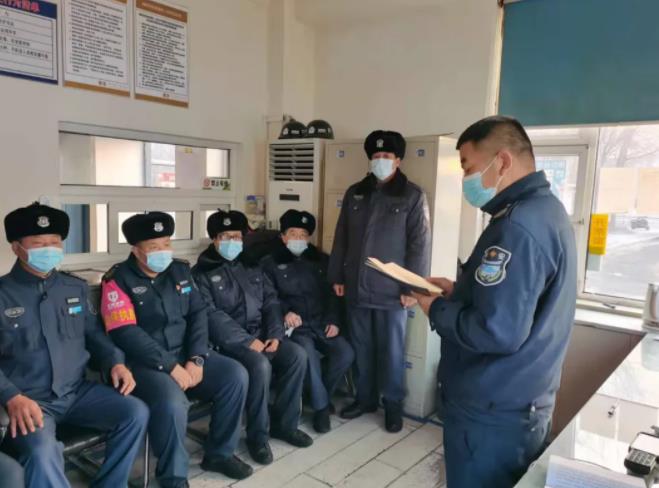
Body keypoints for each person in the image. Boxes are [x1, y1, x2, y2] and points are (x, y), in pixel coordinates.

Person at [412, 116, 577, 488]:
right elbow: (516, 300)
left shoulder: (517, 228)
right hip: (520, 399)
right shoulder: (545, 211)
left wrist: (435, 308)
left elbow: (496, 331)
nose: (466, 179)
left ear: (501, 161)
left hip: (493, 408)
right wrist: (459, 291)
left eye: (468, 167)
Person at [0, 203, 149, 488]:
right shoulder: (3, 294)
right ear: (17, 248)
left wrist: (115, 362)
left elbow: (94, 334)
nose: (49, 249)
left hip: (77, 392)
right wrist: (11, 396)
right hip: (30, 399)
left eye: (55, 242)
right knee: (42, 451)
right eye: (39, 243)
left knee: (135, 412)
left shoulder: (74, 288)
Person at [100, 212, 252, 487]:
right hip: (147, 364)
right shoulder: (117, 280)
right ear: (136, 250)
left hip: (186, 354)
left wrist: (197, 358)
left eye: (167, 244)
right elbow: (125, 332)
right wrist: (170, 366)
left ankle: (219, 454)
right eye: (154, 247)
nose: (163, 251)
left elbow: (198, 314)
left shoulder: (180, 271)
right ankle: (173, 476)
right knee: (172, 402)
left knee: (235, 375)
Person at [328, 130, 430, 432]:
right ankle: (365, 399)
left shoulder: (411, 196)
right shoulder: (355, 193)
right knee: (362, 347)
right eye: (376, 156)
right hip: (356, 286)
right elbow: (341, 237)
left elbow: (419, 245)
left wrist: (412, 288)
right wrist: (337, 275)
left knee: (392, 351)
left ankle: (393, 405)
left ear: (398, 160)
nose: (381, 160)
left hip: (392, 292)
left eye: (387, 156)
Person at [192, 210, 312, 466]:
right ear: (214, 239)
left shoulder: (251, 265)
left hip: (262, 335)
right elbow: (211, 316)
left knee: (297, 355)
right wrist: (246, 341)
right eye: (226, 237)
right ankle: (258, 436)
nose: (233, 242)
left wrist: (276, 335)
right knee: (260, 365)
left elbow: (271, 302)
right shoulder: (201, 273)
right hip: (228, 344)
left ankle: (285, 425)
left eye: (237, 236)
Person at [261, 210, 354, 433]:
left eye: (303, 235)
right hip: (296, 328)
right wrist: (285, 313)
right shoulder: (269, 263)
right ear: (283, 236)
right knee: (308, 356)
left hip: (321, 322)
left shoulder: (321, 260)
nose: (298, 239)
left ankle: (318, 395)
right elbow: (267, 297)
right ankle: (321, 409)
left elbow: (332, 295)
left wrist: (333, 320)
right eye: (293, 234)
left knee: (345, 353)